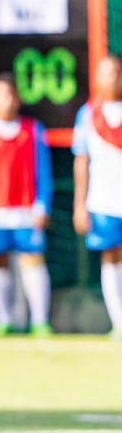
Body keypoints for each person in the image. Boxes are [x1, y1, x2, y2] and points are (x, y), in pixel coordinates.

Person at [0, 73, 53, 337]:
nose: (8, 100)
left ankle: (39, 321)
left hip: (27, 210)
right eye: (1, 94)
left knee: (33, 261)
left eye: (12, 94)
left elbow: (43, 171)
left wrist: (42, 205)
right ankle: (2, 321)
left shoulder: (34, 129)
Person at [74, 53, 122, 339]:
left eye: (116, 71)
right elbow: (82, 160)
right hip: (103, 199)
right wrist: (80, 204)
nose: (112, 78)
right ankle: (118, 322)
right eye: (106, 73)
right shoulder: (87, 114)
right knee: (111, 255)